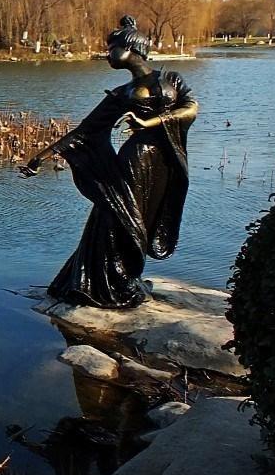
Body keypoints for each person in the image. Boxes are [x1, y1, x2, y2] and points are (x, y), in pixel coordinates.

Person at [20, 16, 197, 308]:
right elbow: (84, 131)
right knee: (120, 219)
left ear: (131, 47)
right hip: (134, 162)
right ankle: (111, 281)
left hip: (164, 164)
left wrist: (150, 121)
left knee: (145, 219)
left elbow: (190, 108)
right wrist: (40, 157)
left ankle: (126, 275)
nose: (107, 54)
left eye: (112, 48)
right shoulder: (122, 94)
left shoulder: (171, 79)